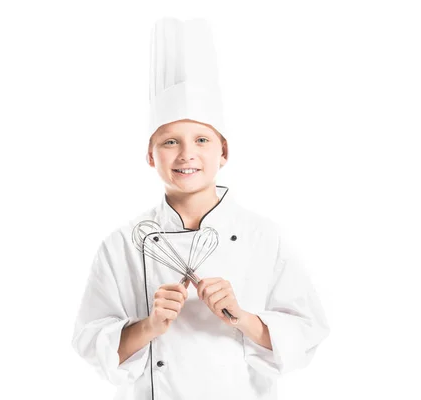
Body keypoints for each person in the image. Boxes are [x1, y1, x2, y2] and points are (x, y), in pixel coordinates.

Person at [71, 17, 330, 400]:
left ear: (223, 152)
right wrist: (151, 325)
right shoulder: (123, 243)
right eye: (170, 141)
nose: (187, 154)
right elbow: (89, 342)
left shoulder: (264, 236)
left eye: (202, 139)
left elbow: (307, 332)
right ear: (149, 154)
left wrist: (243, 317)